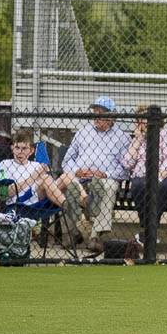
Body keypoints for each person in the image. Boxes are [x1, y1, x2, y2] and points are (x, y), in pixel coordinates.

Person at [61, 95, 130, 251]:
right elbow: (67, 160)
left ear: (112, 117)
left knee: (109, 187)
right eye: (95, 112)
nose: (97, 116)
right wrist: (76, 170)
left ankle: (95, 236)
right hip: (80, 176)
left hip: (104, 178)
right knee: (69, 185)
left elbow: (125, 169)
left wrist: (105, 174)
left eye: (101, 113)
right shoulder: (83, 132)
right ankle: (78, 231)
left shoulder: (122, 137)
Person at [122, 104, 167, 234]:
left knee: (162, 187)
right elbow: (127, 163)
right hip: (142, 177)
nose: (142, 122)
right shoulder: (138, 139)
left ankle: (148, 228)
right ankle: (148, 227)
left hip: (166, 177)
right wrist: (138, 139)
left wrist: (158, 177)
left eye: (145, 119)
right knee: (137, 185)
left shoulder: (166, 134)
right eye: (140, 120)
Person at [0, 128, 71, 210]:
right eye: (17, 148)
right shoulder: (5, 164)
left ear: (31, 150)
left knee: (67, 177)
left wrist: (45, 175)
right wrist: (32, 178)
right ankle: (69, 207)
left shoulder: (36, 165)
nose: (20, 152)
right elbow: (3, 194)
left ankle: (84, 203)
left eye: (24, 148)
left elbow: (50, 187)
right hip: (20, 203)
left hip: (39, 199)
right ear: (12, 148)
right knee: (45, 179)